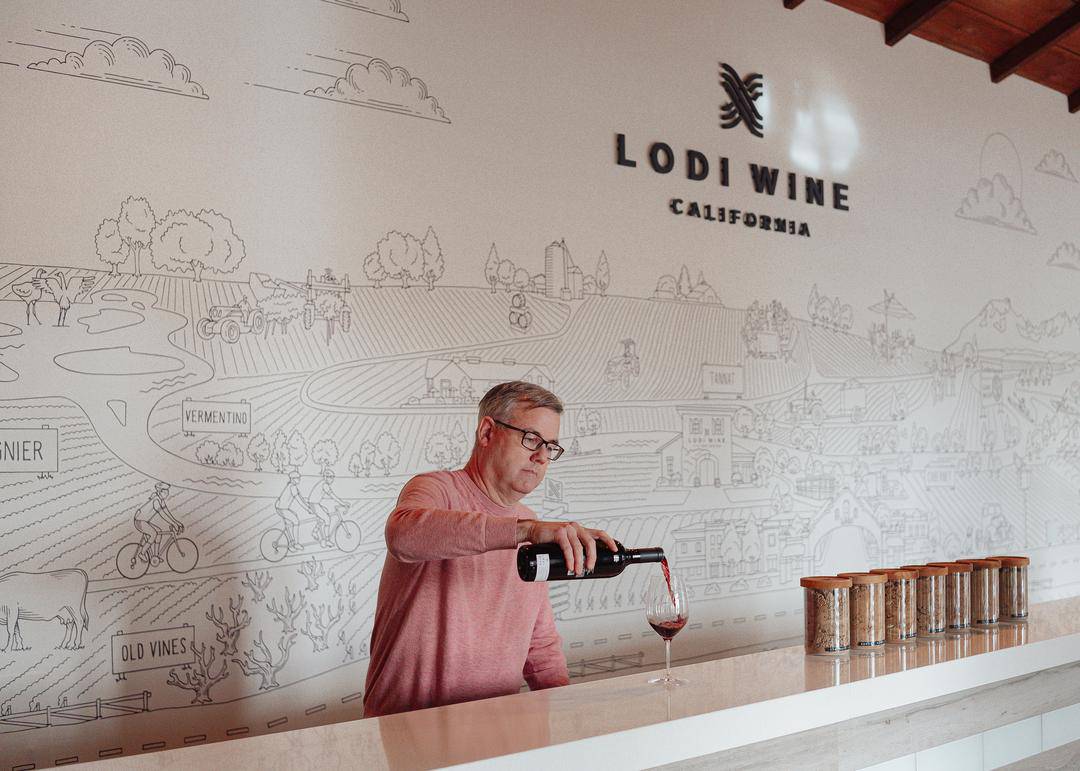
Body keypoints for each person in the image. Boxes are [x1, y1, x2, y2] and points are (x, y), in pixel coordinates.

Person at [363, 381, 617, 717]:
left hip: (495, 730)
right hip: (410, 729)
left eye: (551, 447)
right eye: (532, 439)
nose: (542, 457)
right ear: (487, 433)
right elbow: (403, 537)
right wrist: (523, 531)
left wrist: (568, 719)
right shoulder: (435, 489)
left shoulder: (530, 522)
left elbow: (539, 643)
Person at [134, 481, 184, 564]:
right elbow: (162, 514)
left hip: (144, 521)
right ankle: (142, 553)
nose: (167, 492)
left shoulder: (161, 500)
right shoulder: (156, 500)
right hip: (139, 520)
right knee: (154, 534)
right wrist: (173, 524)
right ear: (160, 491)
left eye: (167, 490)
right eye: (165, 490)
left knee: (159, 532)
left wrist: (177, 522)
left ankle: (155, 556)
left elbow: (167, 512)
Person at [308, 468, 347, 547]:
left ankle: (315, 532)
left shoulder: (323, 483)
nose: (332, 479)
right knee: (327, 519)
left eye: (332, 477)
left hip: (314, 503)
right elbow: (333, 496)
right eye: (330, 477)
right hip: (314, 504)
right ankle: (326, 540)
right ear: (325, 477)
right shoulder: (325, 485)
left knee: (324, 514)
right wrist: (343, 503)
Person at [274, 469, 311, 549]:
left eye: (299, 477)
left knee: (290, 524)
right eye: (297, 478)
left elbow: (301, 498)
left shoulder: (293, 486)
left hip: (281, 507)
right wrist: (307, 509)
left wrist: (308, 506)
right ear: (292, 479)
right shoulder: (292, 487)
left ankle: (291, 543)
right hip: (282, 508)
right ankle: (296, 544)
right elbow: (298, 500)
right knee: (296, 521)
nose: (299, 479)